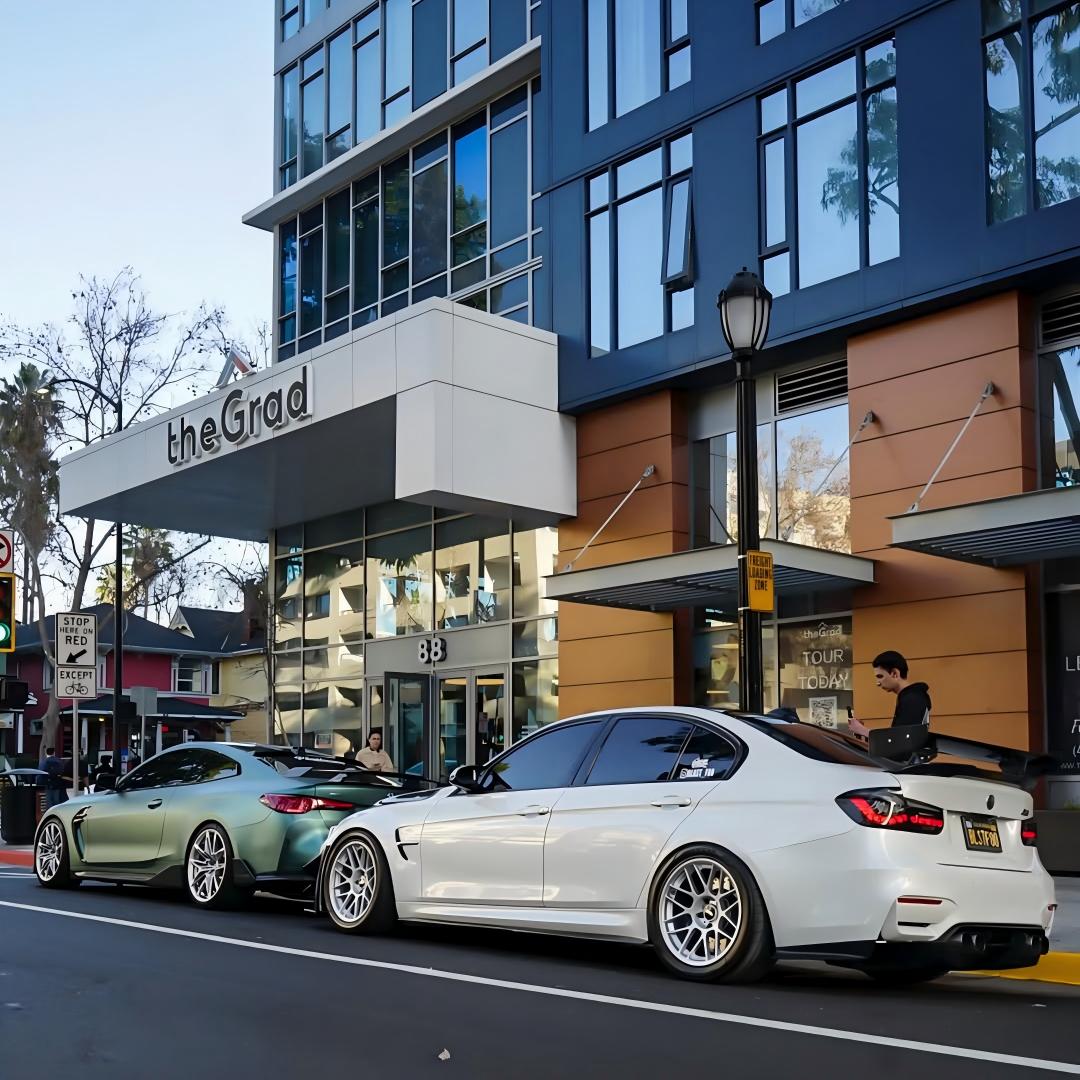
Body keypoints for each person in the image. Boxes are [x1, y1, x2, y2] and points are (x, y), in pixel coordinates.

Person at [849, 650, 932, 737]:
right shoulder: (912, 696)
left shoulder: (912, 699)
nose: (877, 683)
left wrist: (862, 730)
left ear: (895, 673)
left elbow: (899, 740)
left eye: (880, 676)